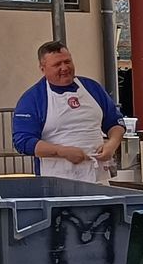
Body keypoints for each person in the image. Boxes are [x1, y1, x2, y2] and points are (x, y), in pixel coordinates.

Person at [11, 41, 123, 182]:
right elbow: (23, 142)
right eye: (57, 64)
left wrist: (112, 145)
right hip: (57, 180)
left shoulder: (93, 88)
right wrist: (61, 151)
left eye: (67, 62)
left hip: (98, 176)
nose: (64, 68)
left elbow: (115, 123)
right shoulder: (32, 99)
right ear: (43, 68)